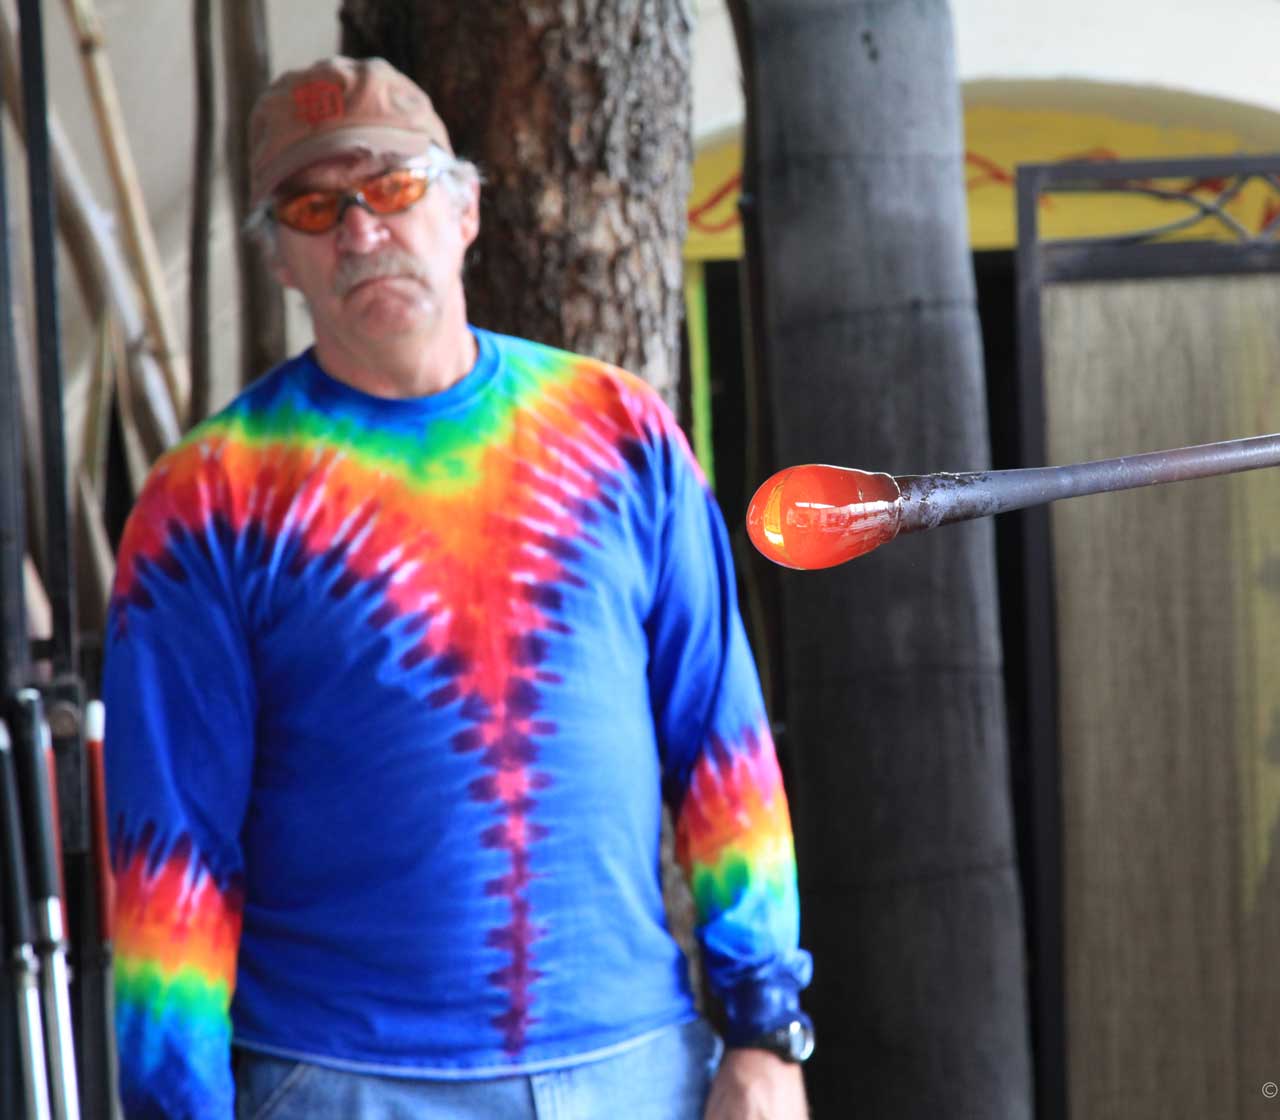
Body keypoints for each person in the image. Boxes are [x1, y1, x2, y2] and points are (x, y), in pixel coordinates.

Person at [102, 55, 813, 1120]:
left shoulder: (621, 435)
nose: (359, 230)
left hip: (637, 1067)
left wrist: (765, 1030)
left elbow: (723, 747)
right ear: (281, 257)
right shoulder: (208, 499)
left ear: (465, 208)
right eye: (314, 207)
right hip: (344, 1083)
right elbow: (169, 859)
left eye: (391, 186)